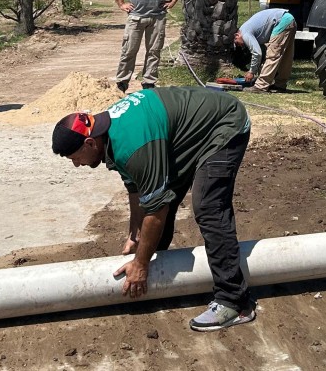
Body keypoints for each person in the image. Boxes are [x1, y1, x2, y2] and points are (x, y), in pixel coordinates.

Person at [52, 86, 255, 332]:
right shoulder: (109, 134)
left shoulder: (134, 146)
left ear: (90, 143)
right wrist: (134, 234)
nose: (76, 165)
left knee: (208, 207)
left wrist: (140, 263)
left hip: (223, 124)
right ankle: (156, 276)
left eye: (75, 157)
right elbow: (136, 188)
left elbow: (157, 210)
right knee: (157, 203)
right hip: (182, 137)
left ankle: (234, 301)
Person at [233, 7, 297, 92]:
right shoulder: (247, 28)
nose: (240, 46)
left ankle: (261, 86)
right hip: (289, 20)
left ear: (236, 35)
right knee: (286, 57)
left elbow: (257, 53)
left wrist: (251, 72)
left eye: (237, 43)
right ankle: (280, 85)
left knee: (272, 55)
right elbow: (261, 52)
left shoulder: (244, 33)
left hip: (281, 22)